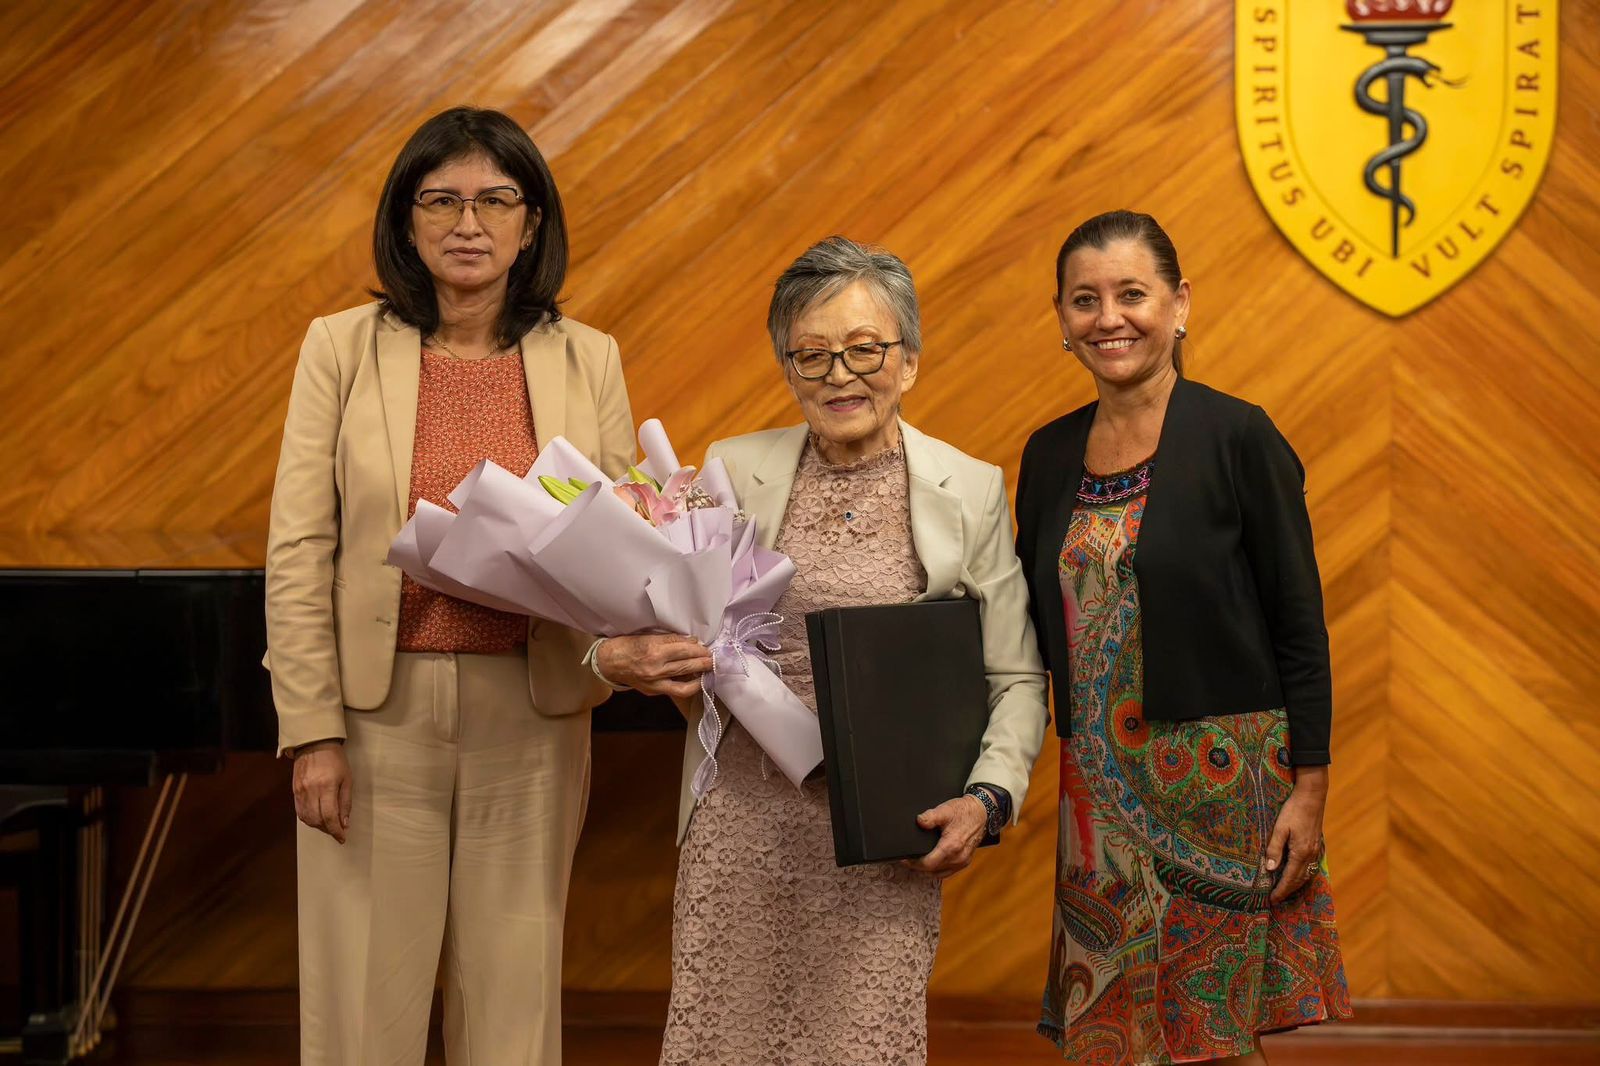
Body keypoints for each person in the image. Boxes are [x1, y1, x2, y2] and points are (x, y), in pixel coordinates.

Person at [265, 106, 709, 1066]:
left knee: (512, 1001)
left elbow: (615, 547)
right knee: (362, 1006)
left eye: (496, 199)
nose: (469, 223)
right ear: (408, 219)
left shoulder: (586, 355)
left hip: (535, 710)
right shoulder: (340, 349)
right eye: (443, 200)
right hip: (376, 718)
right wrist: (313, 732)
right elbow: (300, 548)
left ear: (532, 221)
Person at [656, 236, 1049, 1065]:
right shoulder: (732, 467)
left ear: (907, 361)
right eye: (811, 356)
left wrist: (987, 798)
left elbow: (1015, 676)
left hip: (882, 835)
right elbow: (665, 612)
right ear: (787, 368)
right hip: (741, 823)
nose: (840, 375)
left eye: (865, 349)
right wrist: (642, 657)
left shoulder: (968, 487)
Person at [1015, 210, 1353, 1065]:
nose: (1110, 318)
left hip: (1220, 789)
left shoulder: (1240, 436)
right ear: (1062, 319)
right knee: (1108, 1035)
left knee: (1210, 1038)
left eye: (1133, 293)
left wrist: (1308, 792)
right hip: (1094, 795)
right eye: (1085, 300)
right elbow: (1024, 620)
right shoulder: (1048, 454)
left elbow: (1300, 627)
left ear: (1179, 303)